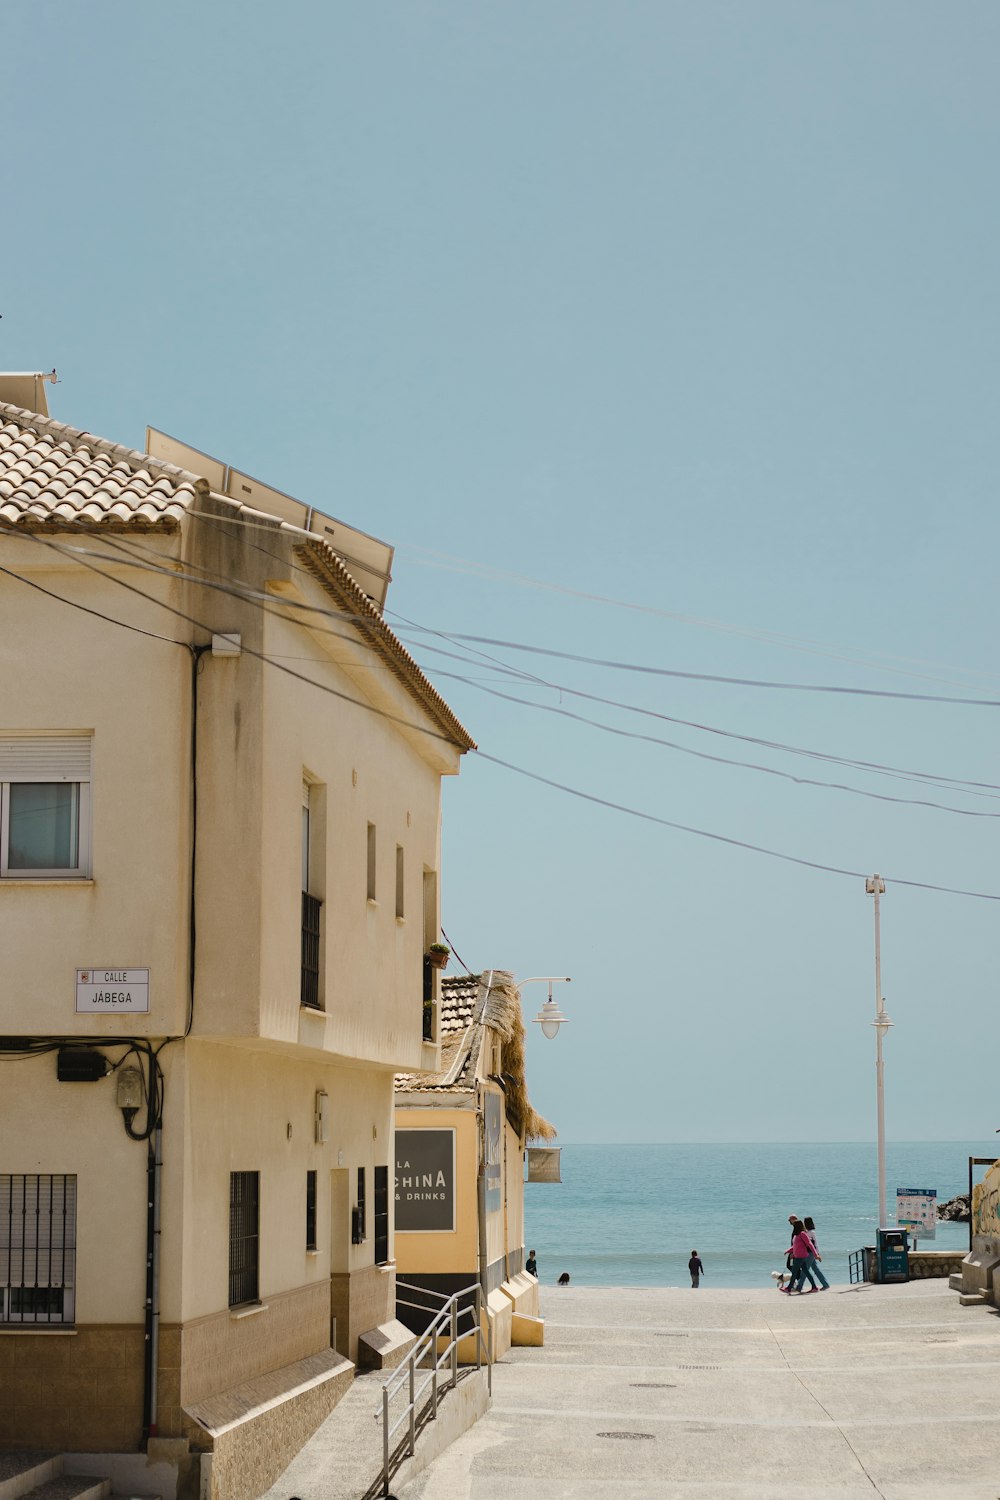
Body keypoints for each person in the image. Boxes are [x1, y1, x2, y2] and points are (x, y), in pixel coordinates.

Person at [781, 1219, 819, 1293]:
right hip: (799, 1256)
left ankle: (788, 1288)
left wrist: (816, 1254)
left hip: (801, 1256)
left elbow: (810, 1244)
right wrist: (788, 1251)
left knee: (794, 1272)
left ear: (797, 1226)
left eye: (794, 1225)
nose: (793, 1227)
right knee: (806, 1272)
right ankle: (814, 1287)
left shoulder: (802, 1234)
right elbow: (795, 1246)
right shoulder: (797, 1235)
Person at [802, 1217, 830, 1290]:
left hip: (810, 1253)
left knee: (805, 1270)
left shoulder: (811, 1232)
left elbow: (815, 1244)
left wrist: (817, 1254)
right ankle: (825, 1284)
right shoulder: (808, 1232)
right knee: (815, 1269)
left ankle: (799, 1286)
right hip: (810, 1253)